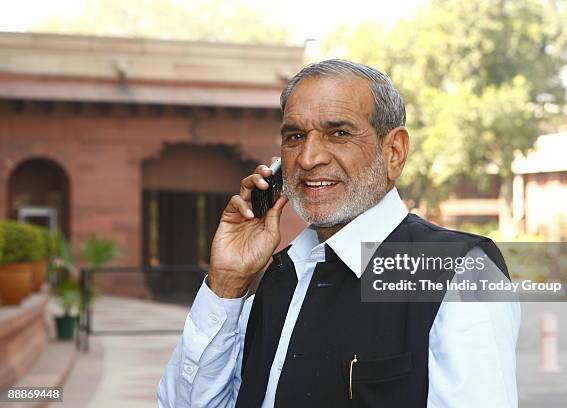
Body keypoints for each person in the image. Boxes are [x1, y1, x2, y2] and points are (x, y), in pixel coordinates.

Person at [157, 59, 520, 407]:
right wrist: (227, 285)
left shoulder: (459, 271)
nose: (309, 157)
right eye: (295, 136)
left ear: (394, 152)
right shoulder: (284, 274)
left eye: (339, 133)